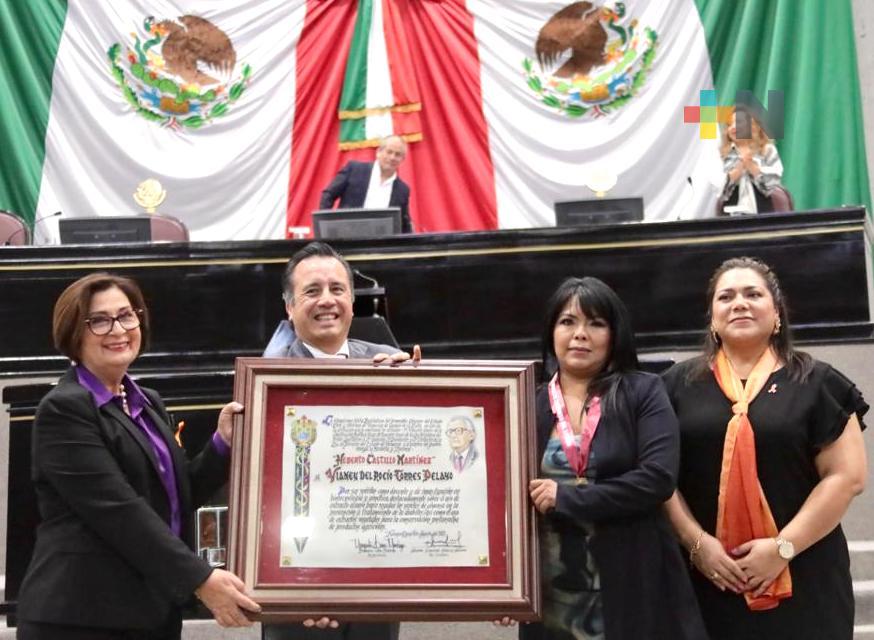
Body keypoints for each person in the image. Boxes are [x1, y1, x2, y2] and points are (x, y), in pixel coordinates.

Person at [16, 273, 260, 640]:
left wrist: (222, 444)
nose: (118, 329)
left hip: (150, 613)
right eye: (99, 320)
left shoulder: (148, 402)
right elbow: (118, 510)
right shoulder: (65, 409)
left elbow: (175, 498)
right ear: (73, 333)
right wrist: (201, 578)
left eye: (127, 315)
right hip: (81, 618)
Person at [662, 256, 868, 640]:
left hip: (803, 573)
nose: (739, 302)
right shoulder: (674, 386)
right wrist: (697, 544)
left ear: (777, 315)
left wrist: (782, 548)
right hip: (706, 577)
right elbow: (658, 477)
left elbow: (846, 477)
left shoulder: (817, 382)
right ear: (712, 319)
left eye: (753, 294)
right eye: (726, 297)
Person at [518, 276, 707, 640]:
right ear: (551, 332)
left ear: (614, 333)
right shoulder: (526, 400)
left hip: (633, 583)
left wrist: (566, 497)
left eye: (596, 323)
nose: (580, 334)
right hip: (552, 590)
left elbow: (657, 479)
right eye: (567, 321)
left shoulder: (643, 391)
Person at [263, 241, 420, 640]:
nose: (327, 301)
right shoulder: (266, 382)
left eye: (337, 289)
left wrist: (421, 394)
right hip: (297, 584)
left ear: (352, 300)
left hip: (376, 577)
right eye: (312, 291)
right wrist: (295, 589)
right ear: (289, 306)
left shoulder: (390, 363)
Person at [319, 135, 413, 234]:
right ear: (378, 152)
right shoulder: (354, 170)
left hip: (381, 244)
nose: (392, 157)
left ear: (402, 159)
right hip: (347, 238)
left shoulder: (403, 190)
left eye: (397, 154)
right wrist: (326, 228)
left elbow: (404, 222)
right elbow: (328, 195)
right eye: (389, 152)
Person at [718, 106, 784, 215]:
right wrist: (738, 169)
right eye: (730, 124)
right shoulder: (722, 155)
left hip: (763, 211)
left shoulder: (766, 150)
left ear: (753, 126)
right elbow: (717, 189)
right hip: (729, 213)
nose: (733, 127)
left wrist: (751, 166)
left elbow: (773, 184)